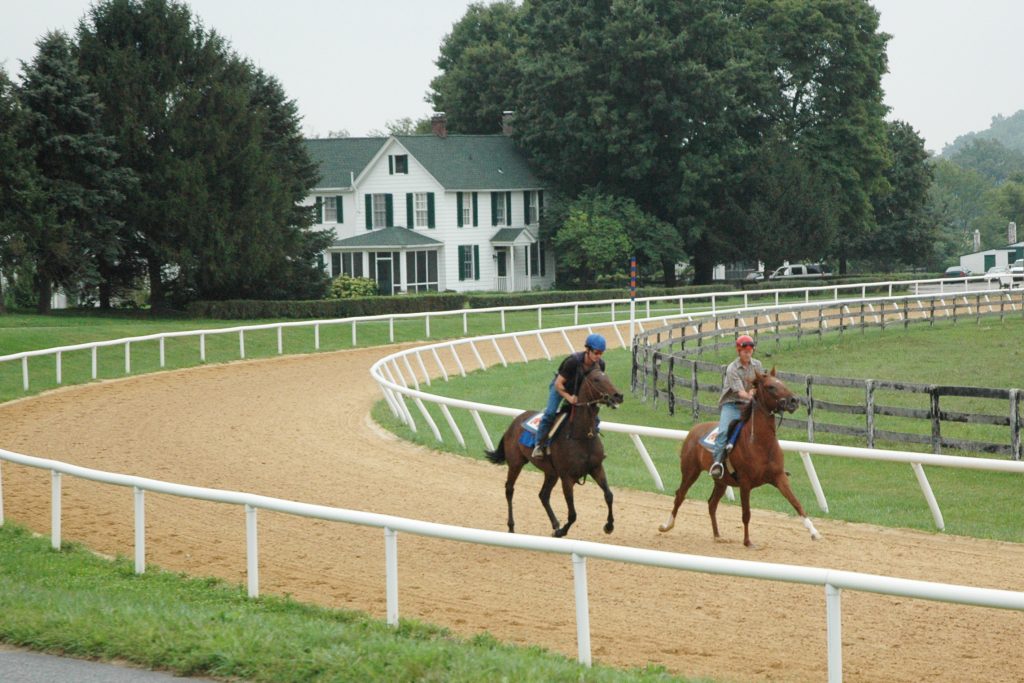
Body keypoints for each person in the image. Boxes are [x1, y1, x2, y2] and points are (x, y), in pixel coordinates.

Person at [532, 333, 607, 458]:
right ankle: (538, 445)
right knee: (550, 413)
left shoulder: (601, 365)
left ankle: (594, 446)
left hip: (577, 389)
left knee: (594, 417)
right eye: (596, 352)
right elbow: (558, 384)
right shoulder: (573, 362)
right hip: (561, 387)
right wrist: (569, 398)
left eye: (601, 353)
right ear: (587, 350)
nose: (598, 356)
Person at [709, 334, 763, 479]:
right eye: (745, 352)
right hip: (732, 405)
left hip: (749, 404)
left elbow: (761, 384)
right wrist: (751, 394)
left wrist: (757, 391)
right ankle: (717, 463)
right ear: (739, 351)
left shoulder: (757, 365)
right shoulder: (732, 368)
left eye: (750, 351)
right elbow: (740, 393)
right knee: (723, 432)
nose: (748, 354)